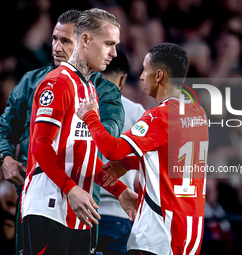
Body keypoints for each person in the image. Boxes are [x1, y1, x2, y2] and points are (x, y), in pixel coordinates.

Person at [0, 9, 125, 254]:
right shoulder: (49, 82)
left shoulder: (96, 91)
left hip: (81, 204)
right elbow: (34, 143)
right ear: (86, 41)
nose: (56, 47)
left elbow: (92, 151)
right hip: (48, 200)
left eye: (64, 40)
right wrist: (6, 157)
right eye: (55, 38)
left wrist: (121, 191)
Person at [76, 43, 209, 255]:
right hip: (189, 233)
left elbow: (113, 149)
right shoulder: (197, 114)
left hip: (157, 234)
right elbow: (172, 160)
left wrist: (90, 116)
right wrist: (128, 164)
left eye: (145, 70)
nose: (140, 77)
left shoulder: (160, 116)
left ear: (158, 75)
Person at [97, 49, 145, 255]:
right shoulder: (137, 113)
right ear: (123, 79)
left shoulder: (75, 109)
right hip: (119, 215)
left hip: (75, 210)